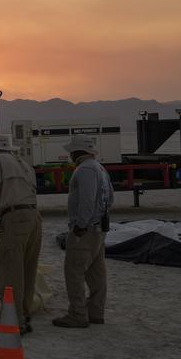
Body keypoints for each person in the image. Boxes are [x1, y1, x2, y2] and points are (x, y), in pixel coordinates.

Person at [0, 133, 42, 334]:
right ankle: (24, 315)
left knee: (11, 271)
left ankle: (12, 321)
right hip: (34, 217)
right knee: (27, 269)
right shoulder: (24, 164)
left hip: (14, 218)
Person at [53, 135, 115, 329]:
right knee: (97, 274)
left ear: (78, 151)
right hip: (99, 228)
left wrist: (81, 225)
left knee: (74, 272)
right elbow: (110, 198)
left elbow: (87, 200)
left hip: (85, 231)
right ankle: (95, 312)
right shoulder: (100, 168)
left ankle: (78, 314)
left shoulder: (85, 169)